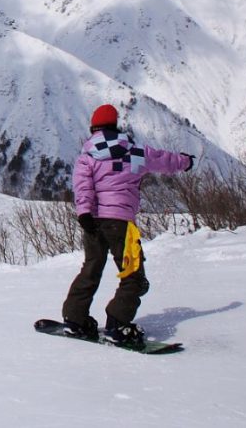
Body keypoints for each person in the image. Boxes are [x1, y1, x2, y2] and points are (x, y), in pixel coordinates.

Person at [61, 103, 194, 346]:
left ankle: (75, 318)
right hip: (121, 223)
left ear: (93, 128)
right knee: (133, 275)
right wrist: (185, 162)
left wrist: (84, 214)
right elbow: (164, 160)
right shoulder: (134, 152)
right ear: (115, 126)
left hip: (92, 222)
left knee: (91, 268)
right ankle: (118, 323)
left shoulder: (87, 156)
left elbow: (82, 187)